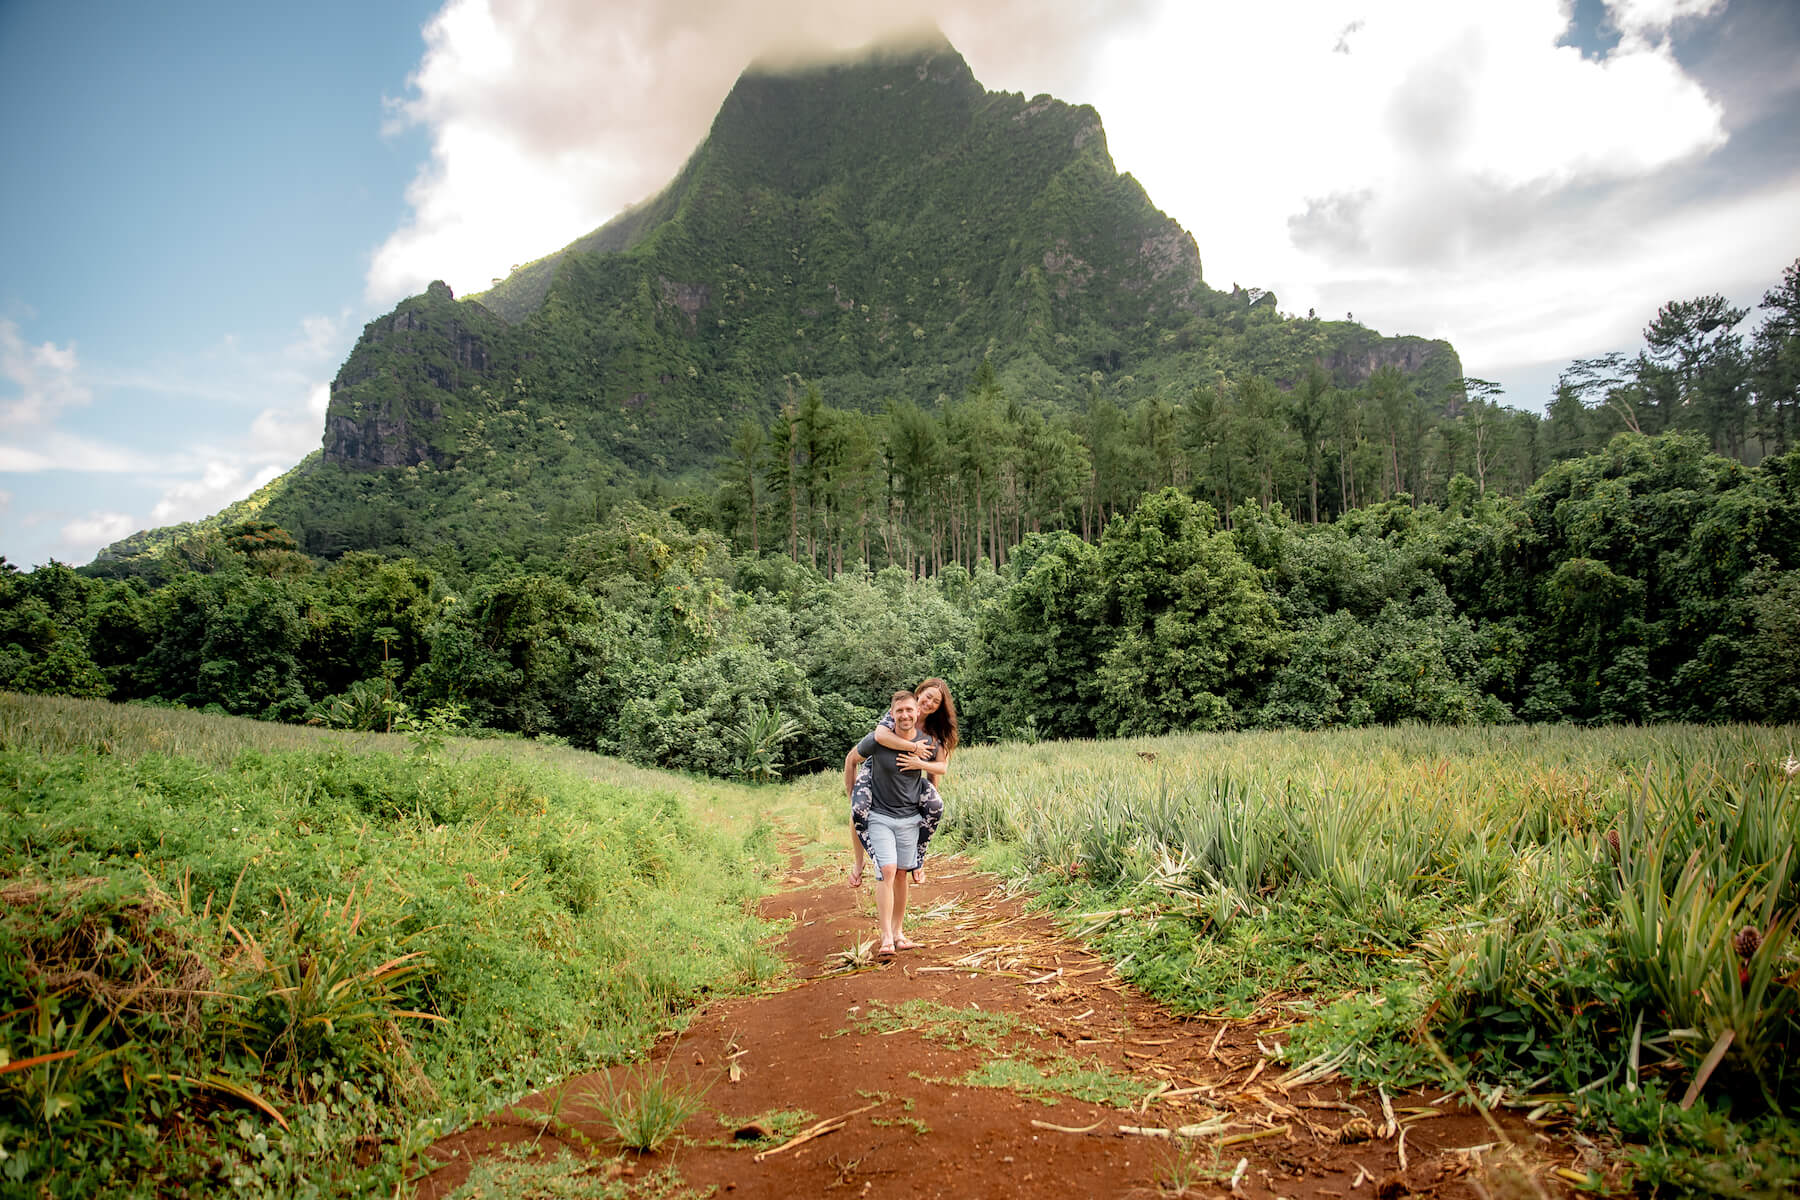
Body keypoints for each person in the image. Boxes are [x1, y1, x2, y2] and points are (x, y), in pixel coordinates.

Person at [843, 690, 936, 958]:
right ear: (891, 714)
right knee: (887, 869)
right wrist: (852, 795)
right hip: (880, 816)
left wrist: (928, 802)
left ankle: (898, 933)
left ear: (917, 713)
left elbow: (934, 774)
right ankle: (885, 936)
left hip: (909, 818)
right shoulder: (877, 739)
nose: (905, 715)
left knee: (901, 874)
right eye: (899, 711)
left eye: (909, 710)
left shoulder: (926, 741)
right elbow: (851, 759)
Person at [847, 677, 959, 889]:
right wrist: (913, 748)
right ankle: (860, 862)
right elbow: (880, 736)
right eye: (927, 697)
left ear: (940, 707)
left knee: (934, 806)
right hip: (878, 767)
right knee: (858, 808)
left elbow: (937, 767)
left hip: (912, 773)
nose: (929, 703)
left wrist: (928, 792)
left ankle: (917, 860)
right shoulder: (902, 711)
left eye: (935, 701)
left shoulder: (935, 731)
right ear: (919, 693)